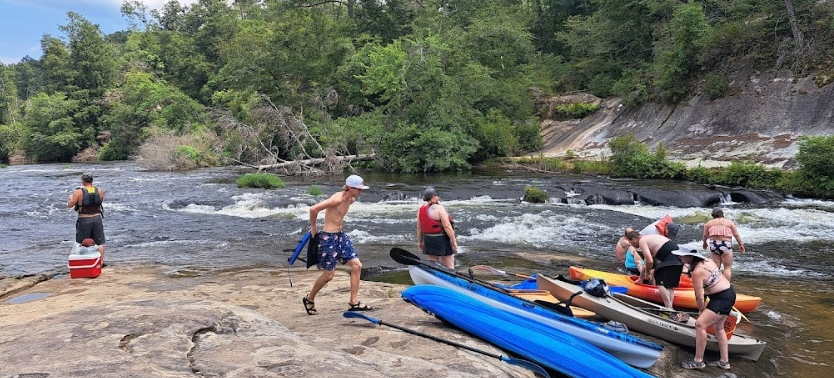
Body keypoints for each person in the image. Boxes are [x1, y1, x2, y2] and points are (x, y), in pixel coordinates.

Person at [302, 174, 373, 315]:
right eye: (359, 189)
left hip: (341, 236)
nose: (361, 192)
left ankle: (354, 302)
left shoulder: (351, 199)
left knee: (357, 266)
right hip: (329, 238)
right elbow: (313, 209)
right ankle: (309, 299)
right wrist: (314, 227)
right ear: (350, 188)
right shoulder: (337, 199)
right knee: (329, 276)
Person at [673, 244, 735, 371]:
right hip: (728, 293)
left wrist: (702, 311)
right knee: (719, 327)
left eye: (682, 255)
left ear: (690, 257)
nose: (679, 256)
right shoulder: (707, 260)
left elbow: (699, 297)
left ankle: (698, 361)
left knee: (700, 324)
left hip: (721, 299)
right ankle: (724, 362)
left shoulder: (697, 272)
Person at [626, 231, 683, 313]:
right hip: (679, 258)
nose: (632, 246)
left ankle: (668, 308)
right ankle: (670, 308)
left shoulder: (642, 241)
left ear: (634, 239)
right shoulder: (650, 239)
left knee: (660, 282)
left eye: (631, 243)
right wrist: (641, 278)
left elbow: (650, 261)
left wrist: (647, 272)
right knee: (669, 285)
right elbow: (646, 263)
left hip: (670, 259)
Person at [67, 172, 106, 263]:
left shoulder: (78, 192)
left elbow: (70, 205)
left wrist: (70, 198)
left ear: (83, 181)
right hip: (97, 218)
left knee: (81, 242)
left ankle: (82, 261)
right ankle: (100, 263)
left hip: (84, 219)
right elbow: (100, 201)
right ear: (92, 181)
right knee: (99, 243)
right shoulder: (99, 190)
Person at [416, 186, 457, 269]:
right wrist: (453, 241)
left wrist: (420, 242)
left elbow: (419, 228)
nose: (438, 197)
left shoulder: (420, 210)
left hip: (428, 240)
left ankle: (433, 278)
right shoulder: (439, 208)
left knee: (432, 265)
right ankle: (449, 281)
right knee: (450, 266)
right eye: (437, 196)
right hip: (441, 239)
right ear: (433, 197)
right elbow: (447, 226)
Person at [702, 207, 745, 281]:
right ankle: (725, 286)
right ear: (722, 214)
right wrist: (740, 245)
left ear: (713, 215)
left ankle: (715, 284)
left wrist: (704, 243)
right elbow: (736, 235)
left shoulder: (708, 223)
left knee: (716, 266)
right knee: (727, 267)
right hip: (725, 244)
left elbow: (705, 235)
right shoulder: (729, 222)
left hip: (713, 245)